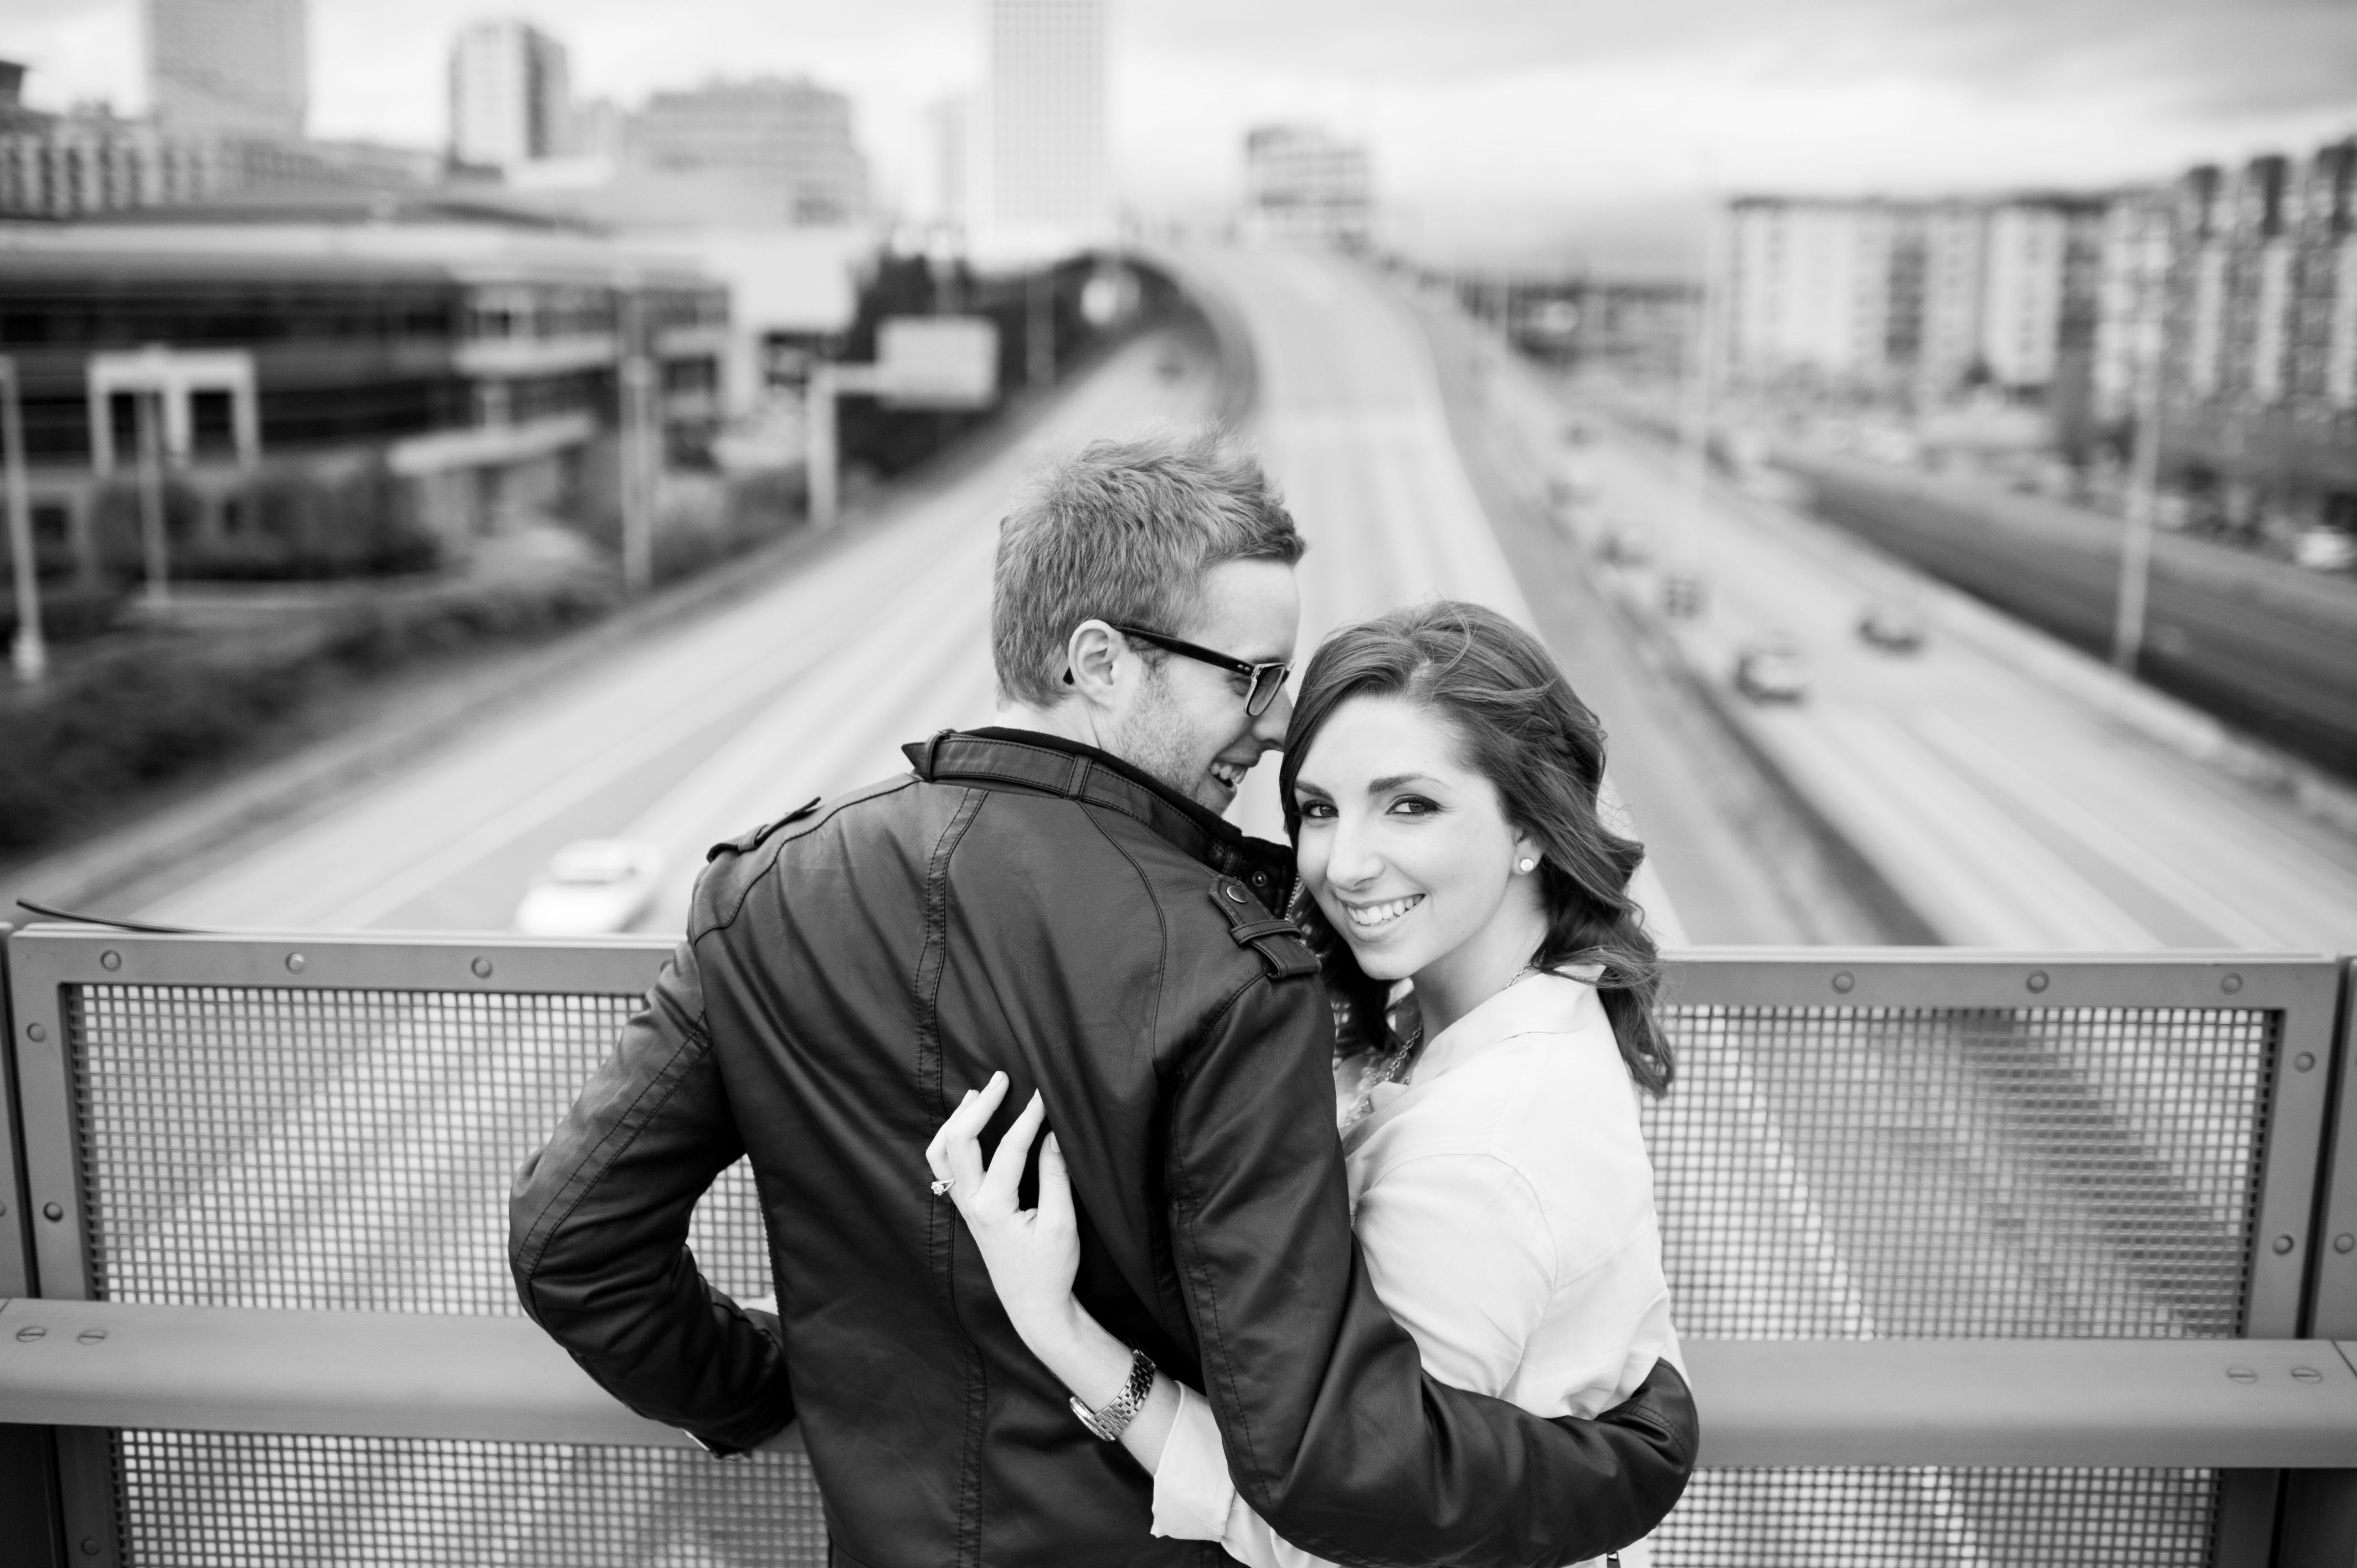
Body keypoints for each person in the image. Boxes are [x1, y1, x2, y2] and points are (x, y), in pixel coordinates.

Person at [510, 431, 1695, 1567]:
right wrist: (1631, 1462)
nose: (1275, 723)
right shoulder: (1232, 968)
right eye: (1254, 676)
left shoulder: (765, 890)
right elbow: (1325, 1459)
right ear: (1098, 662)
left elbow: (574, 1244)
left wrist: (781, 1389)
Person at [928, 599, 1683, 1568]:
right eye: (1320, 809)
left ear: (1532, 825)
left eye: (1411, 804)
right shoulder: (1512, 1018)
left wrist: (1058, 1324)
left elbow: (1335, 1534)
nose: (1346, 864)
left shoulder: (1479, 1153)